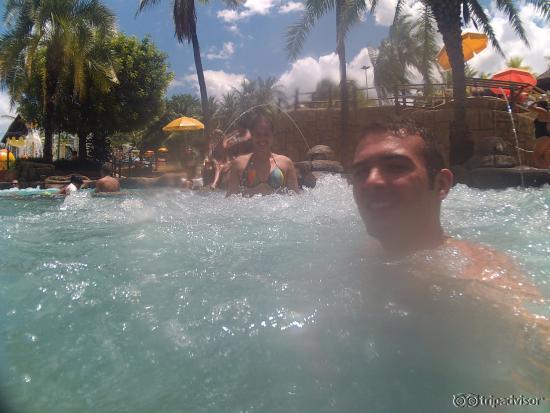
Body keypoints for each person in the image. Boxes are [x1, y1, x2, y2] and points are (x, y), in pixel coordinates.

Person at [351, 120, 548, 398]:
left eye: (395, 166)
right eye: (360, 172)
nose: (371, 181)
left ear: (442, 184)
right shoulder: (368, 252)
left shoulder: (476, 278)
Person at [226, 112, 299, 196]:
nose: (262, 139)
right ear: (252, 135)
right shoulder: (239, 164)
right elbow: (230, 199)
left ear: (272, 135)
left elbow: (295, 198)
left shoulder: (286, 163)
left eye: (266, 135)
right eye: (258, 134)